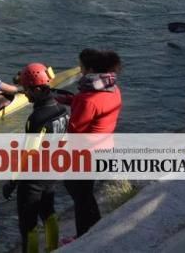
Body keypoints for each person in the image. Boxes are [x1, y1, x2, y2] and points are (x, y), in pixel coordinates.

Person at [3, 63, 69, 253]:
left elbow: (28, 153)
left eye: (27, 90)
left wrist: (12, 181)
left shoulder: (38, 117)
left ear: (38, 89)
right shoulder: (61, 109)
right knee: (49, 213)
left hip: (33, 179)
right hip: (53, 172)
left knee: (28, 225)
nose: (25, 94)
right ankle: (53, 249)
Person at [60, 49, 123, 236]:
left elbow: (75, 131)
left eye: (81, 67)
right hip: (104, 150)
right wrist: (66, 99)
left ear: (89, 70)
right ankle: (96, 228)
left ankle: (83, 237)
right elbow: (92, 106)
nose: (80, 70)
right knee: (85, 193)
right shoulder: (113, 89)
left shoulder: (85, 99)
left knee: (78, 194)